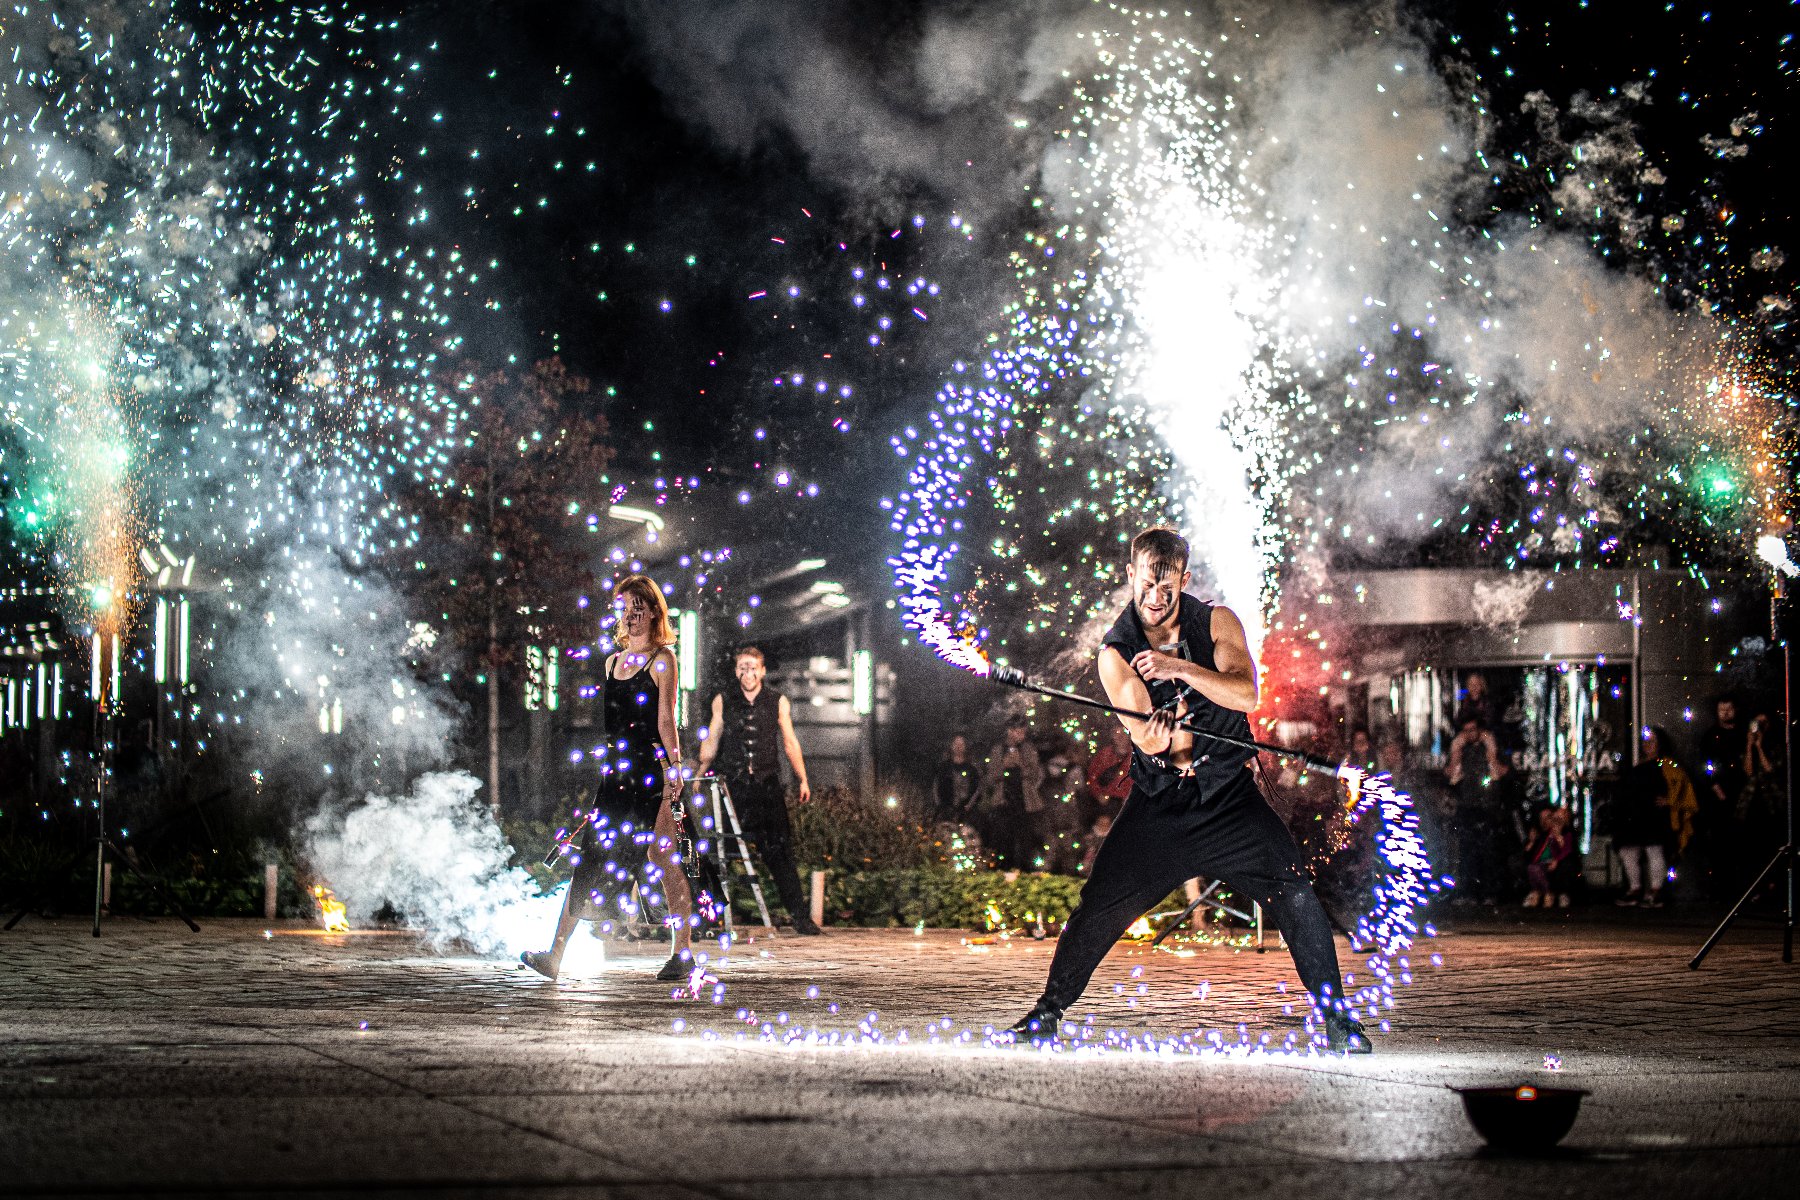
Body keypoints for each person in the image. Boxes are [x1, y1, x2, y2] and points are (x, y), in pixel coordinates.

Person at [1007, 527, 1370, 1053]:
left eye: (1167, 587)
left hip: (1230, 802)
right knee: (1100, 906)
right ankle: (1048, 1012)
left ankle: (1339, 1022)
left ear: (1184, 579)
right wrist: (1150, 736)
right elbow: (1142, 732)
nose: (1156, 599)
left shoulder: (1216, 622)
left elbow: (1245, 694)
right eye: (1146, 586)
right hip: (1161, 805)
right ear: (1130, 576)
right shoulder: (1115, 652)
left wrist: (1177, 666)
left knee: (1295, 895)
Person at [523, 574, 695, 981]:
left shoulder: (662, 661)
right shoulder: (611, 663)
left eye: (639, 608)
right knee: (591, 858)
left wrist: (674, 768)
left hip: (649, 777)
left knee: (665, 858)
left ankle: (683, 953)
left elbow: (667, 721)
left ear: (654, 612)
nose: (632, 617)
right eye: (625, 609)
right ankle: (554, 956)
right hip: (615, 774)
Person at [697, 646, 820, 935]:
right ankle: (704, 918)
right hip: (734, 790)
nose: (747, 672)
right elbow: (712, 739)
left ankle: (800, 918)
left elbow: (790, 741)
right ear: (736, 670)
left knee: (780, 851)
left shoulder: (777, 701)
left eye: (753, 667)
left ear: (762, 671)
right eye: (742, 667)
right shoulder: (723, 700)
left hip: (767, 788)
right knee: (717, 852)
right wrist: (701, 773)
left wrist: (803, 778)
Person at [1612, 727, 1696, 908]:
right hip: (1635, 817)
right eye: (1645, 741)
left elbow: (1683, 782)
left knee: (1654, 850)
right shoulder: (1638, 765)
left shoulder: (1667, 764)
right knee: (1628, 850)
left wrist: (1671, 801)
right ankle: (1635, 889)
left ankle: (1656, 891)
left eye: (1652, 741)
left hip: (1655, 818)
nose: (1647, 745)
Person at [1445, 713, 1512, 905]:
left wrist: (1491, 753)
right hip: (1467, 807)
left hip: (1488, 807)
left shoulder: (1490, 748)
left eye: (1473, 730)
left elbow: (1502, 773)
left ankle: (1490, 892)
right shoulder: (1462, 750)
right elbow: (1450, 776)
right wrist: (1455, 752)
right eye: (1466, 731)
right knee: (1467, 852)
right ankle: (1468, 892)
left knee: (1489, 852)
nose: (1470, 734)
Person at [1698, 697, 1748, 897]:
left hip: (1742, 795)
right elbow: (1705, 764)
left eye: (1729, 708)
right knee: (1720, 845)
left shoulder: (1742, 734)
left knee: (1740, 844)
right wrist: (1716, 787)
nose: (1726, 713)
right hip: (1718, 799)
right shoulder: (1711, 736)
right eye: (1722, 709)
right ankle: (1722, 889)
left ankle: (1740, 888)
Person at [979, 718, 1045, 869]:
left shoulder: (1029, 749)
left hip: (1025, 803)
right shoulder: (998, 749)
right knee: (1003, 841)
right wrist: (1004, 765)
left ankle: (1026, 872)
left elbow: (1037, 775)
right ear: (1010, 730)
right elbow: (990, 778)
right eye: (1019, 731)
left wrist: (1021, 764)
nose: (1022, 735)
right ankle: (1003, 871)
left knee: (1026, 841)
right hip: (1004, 802)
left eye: (1024, 732)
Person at [1523, 806, 1578, 908]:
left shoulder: (1569, 834)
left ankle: (1558, 894)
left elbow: (1568, 851)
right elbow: (1533, 852)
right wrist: (1531, 842)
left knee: (1565, 866)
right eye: (1555, 818)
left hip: (1561, 864)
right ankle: (1538, 893)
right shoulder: (1544, 833)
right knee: (1532, 867)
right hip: (1544, 864)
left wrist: (1558, 840)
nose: (1556, 821)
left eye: (1560, 818)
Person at [933, 734, 982, 823]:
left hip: (966, 814)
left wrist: (968, 807)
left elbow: (977, 790)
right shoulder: (944, 767)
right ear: (951, 746)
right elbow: (936, 787)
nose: (958, 747)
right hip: (945, 812)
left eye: (961, 744)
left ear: (965, 747)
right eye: (956, 744)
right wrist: (941, 806)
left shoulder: (971, 769)